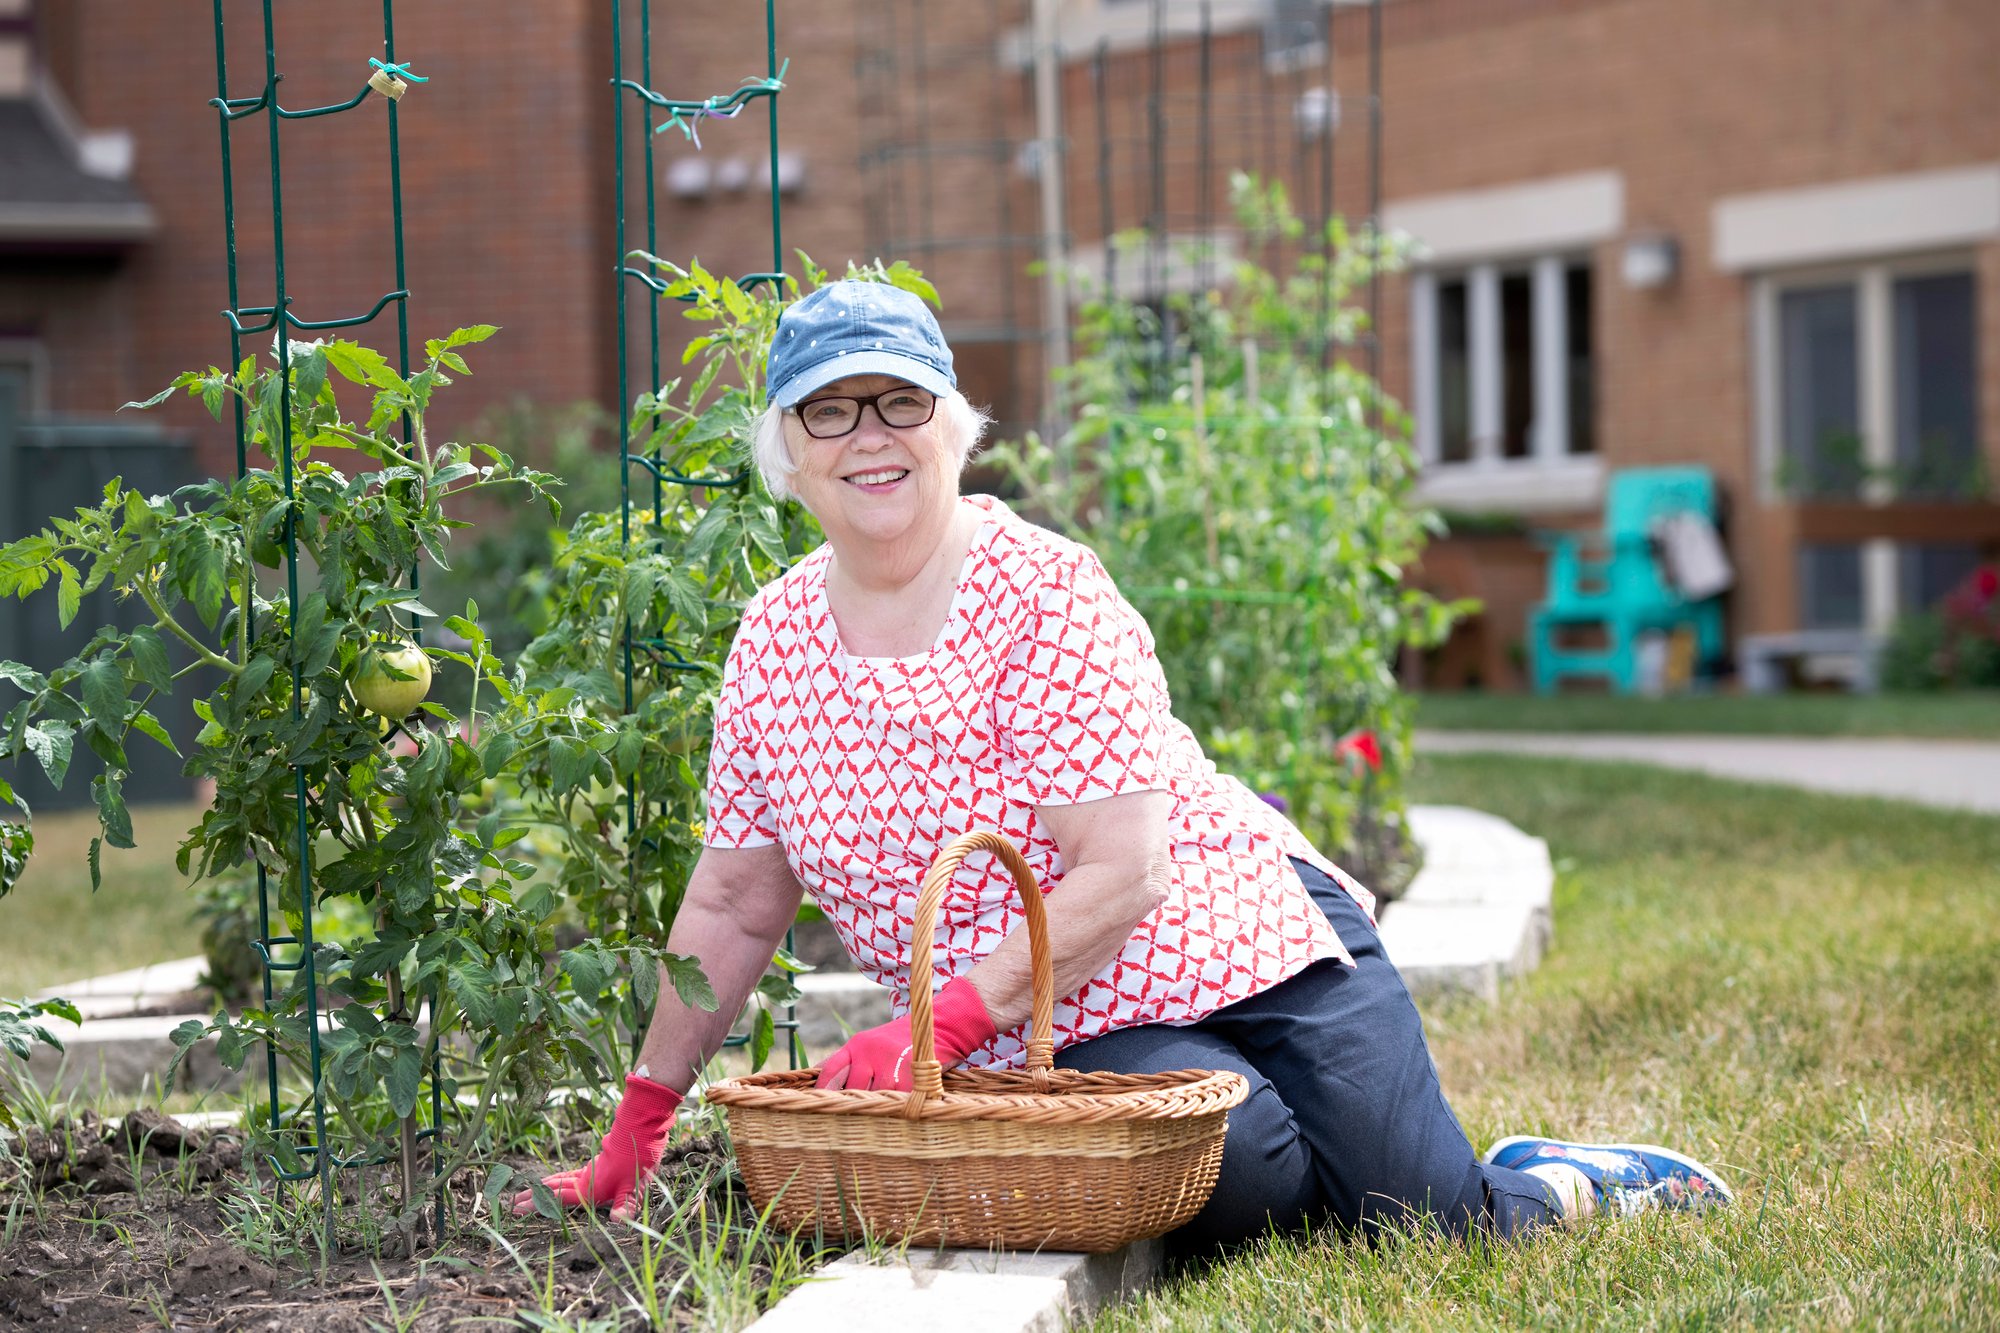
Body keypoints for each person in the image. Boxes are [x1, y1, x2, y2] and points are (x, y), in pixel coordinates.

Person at [514, 280, 1734, 1244]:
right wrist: (642, 1118)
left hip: (1244, 932)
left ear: (952, 425)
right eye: (829, 409)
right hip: (1060, 1016)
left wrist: (932, 1022)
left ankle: (1559, 1182)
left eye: (899, 402)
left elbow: (1121, 871)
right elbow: (732, 900)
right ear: (787, 447)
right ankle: (1323, 1149)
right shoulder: (773, 642)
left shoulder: (1043, 589)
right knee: (1243, 1168)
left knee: (1428, 1218)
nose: (868, 436)